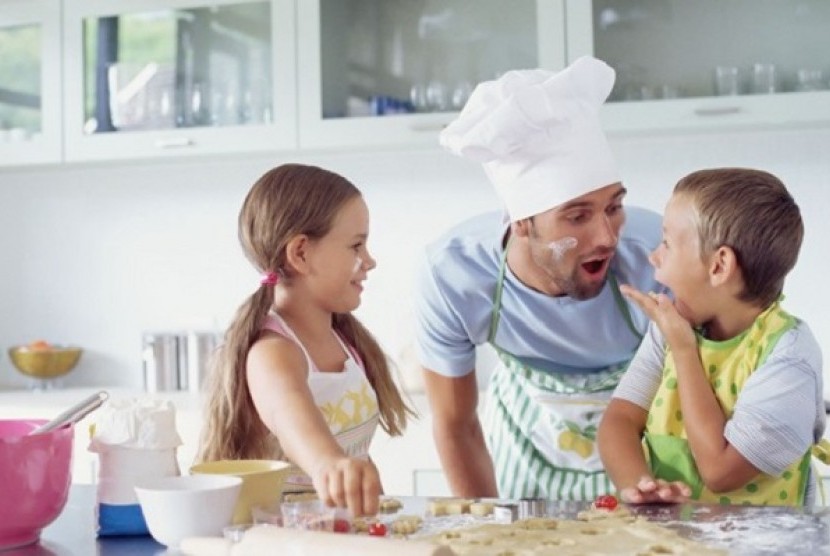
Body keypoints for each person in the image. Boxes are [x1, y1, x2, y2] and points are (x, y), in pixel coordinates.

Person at [413, 56, 664, 500]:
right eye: (577, 216)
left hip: (642, 458)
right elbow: (456, 426)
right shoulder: (453, 275)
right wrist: (487, 530)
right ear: (522, 223)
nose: (607, 236)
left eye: (613, 206)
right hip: (524, 452)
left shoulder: (658, 255)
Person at [598, 167, 827, 506]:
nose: (654, 257)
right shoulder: (671, 328)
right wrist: (643, 486)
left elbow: (720, 472)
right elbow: (620, 420)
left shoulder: (789, 355)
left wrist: (685, 352)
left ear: (719, 266)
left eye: (667, 244)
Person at [196, 163, 414, 517]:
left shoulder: (345, 340)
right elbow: (291, 416)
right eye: (356, 246)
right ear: (300, 253)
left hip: (337, 535)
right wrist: (328, 464)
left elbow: (352, 457)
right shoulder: (273, 353)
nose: (369, 261)